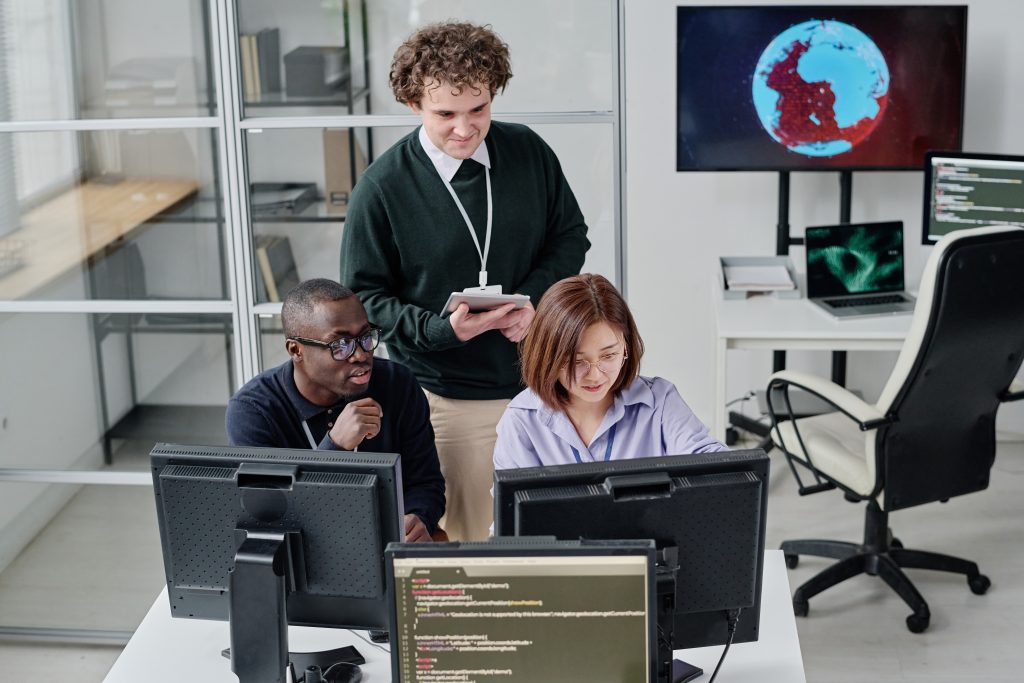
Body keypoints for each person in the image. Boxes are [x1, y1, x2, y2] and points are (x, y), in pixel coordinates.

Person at [340, 21, 590, 541]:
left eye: (478, 109)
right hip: (449, 402)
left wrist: (534, 304)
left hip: (542, 383)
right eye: (445, 114)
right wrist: (441, 331)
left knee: (555, 541)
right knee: (477, 552)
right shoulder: (381, 187)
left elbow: (569, 235)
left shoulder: (527, 151)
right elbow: (364, 299)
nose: (465, 127)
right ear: (414, 105)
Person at [225, 278, 445, 542]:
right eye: (340, 346)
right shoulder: (253, 411)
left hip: (387, 543)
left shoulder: (399, 384)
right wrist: (334, 448)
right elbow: (272, 515)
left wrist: (418, 518)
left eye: (365, 337)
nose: (361, 355)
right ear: (296, 350)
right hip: (306, 554)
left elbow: (425, 483)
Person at [494, 274, 727, 470]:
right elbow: (511, 515)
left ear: (626, 347)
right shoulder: (522, 421)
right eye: (577, 361)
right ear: (548, 356)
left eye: (609, 356)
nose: (595, 375)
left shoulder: (660, 402)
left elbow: (706, 458)